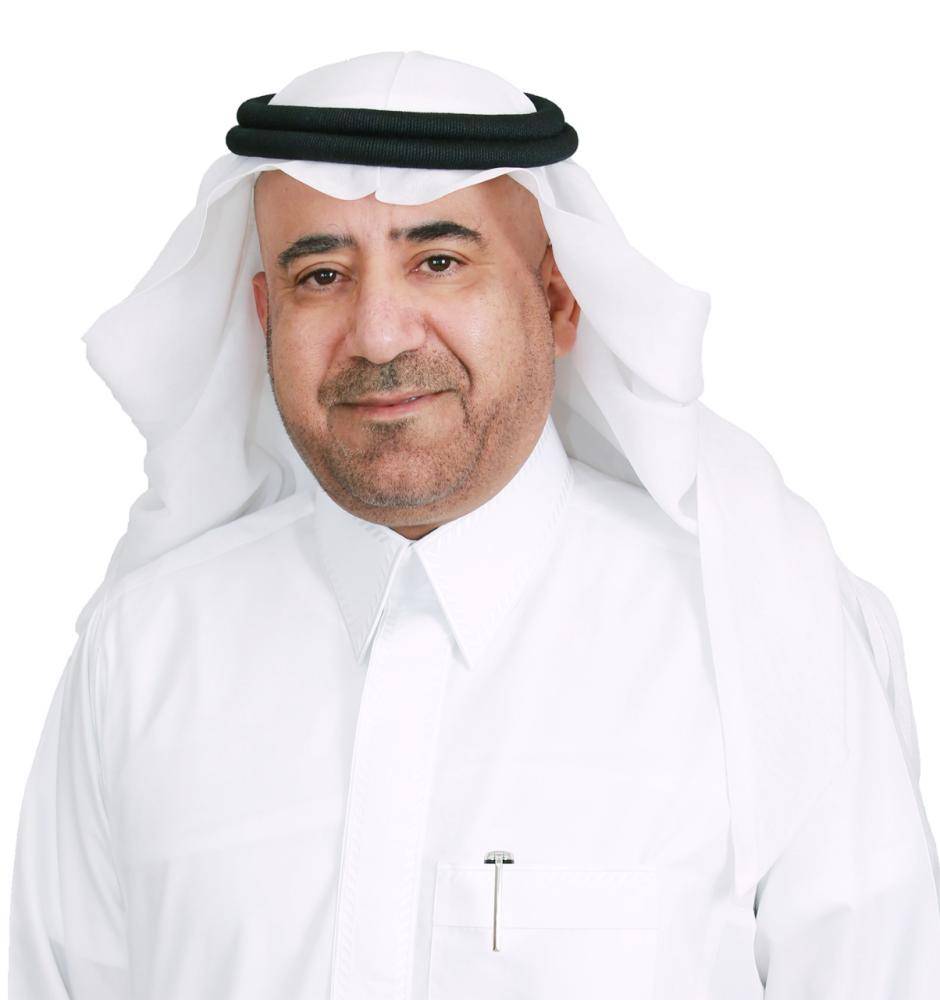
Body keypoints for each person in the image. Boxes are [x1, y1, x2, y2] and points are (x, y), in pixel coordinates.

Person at [8, 50, 939, 999]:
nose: (379, 333)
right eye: (322, 275)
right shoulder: (139, 656)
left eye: (440, 262)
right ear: (264, 317)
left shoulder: (768, 634)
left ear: (558, 301)